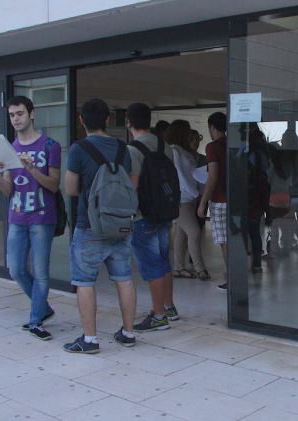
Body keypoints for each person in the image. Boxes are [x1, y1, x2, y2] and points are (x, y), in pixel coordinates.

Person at [63, 98, 138, 353]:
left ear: (81, 120)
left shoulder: (78, 149)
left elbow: (71, 189)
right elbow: (130, 185)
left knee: (84, 281)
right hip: (120, 223)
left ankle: (90, 340)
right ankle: (128, 333)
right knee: (124, 277)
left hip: (90, 226)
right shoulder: (122, 148)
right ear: (108, 119)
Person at [0, 95, 61, 340]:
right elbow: (8, 191)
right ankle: (43, 309)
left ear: (32, 114)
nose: (15, 119)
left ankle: (35, 320)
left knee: (40, 271)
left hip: (42, 217)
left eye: (19, 113)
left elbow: (54, 185)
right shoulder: (10, 148)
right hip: (17, 217)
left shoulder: (50, 146)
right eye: (11, 115)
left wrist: (31, 169)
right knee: (16, 269)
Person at [126, 103, 179, 332]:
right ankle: (168, 307)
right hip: (165, 211)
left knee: (151, 265)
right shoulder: (164, 145)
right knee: (163, 260)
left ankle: (158, 317)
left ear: (129, 123)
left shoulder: (133, 149)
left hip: (144, 215)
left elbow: (133, 185)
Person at [168, 119, 209, 279]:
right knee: (194, 232)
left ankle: (178, 267)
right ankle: (200, 269)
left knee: (182, 234)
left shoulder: (183, 151)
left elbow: (191, 174)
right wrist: (194, 192)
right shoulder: (175, 151)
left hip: (189, 197)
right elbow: (180, 175)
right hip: (183, 198)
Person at [198, 112, 229, 290]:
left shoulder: (212, 147)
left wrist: (203, 202)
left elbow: (213, 177)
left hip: (219, 200)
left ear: (212, 127)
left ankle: (232, 277)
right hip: (235, 199)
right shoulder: (234, 145)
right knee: (233, 239)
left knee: (224, 242)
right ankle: (238, 275)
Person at [246, 125, 270, 273]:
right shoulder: (265, 153)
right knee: (255, 231)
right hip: (261, 196)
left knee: (242, 231)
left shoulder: (251, 153)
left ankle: (242, 264)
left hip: (249, 195)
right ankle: (257, 264)